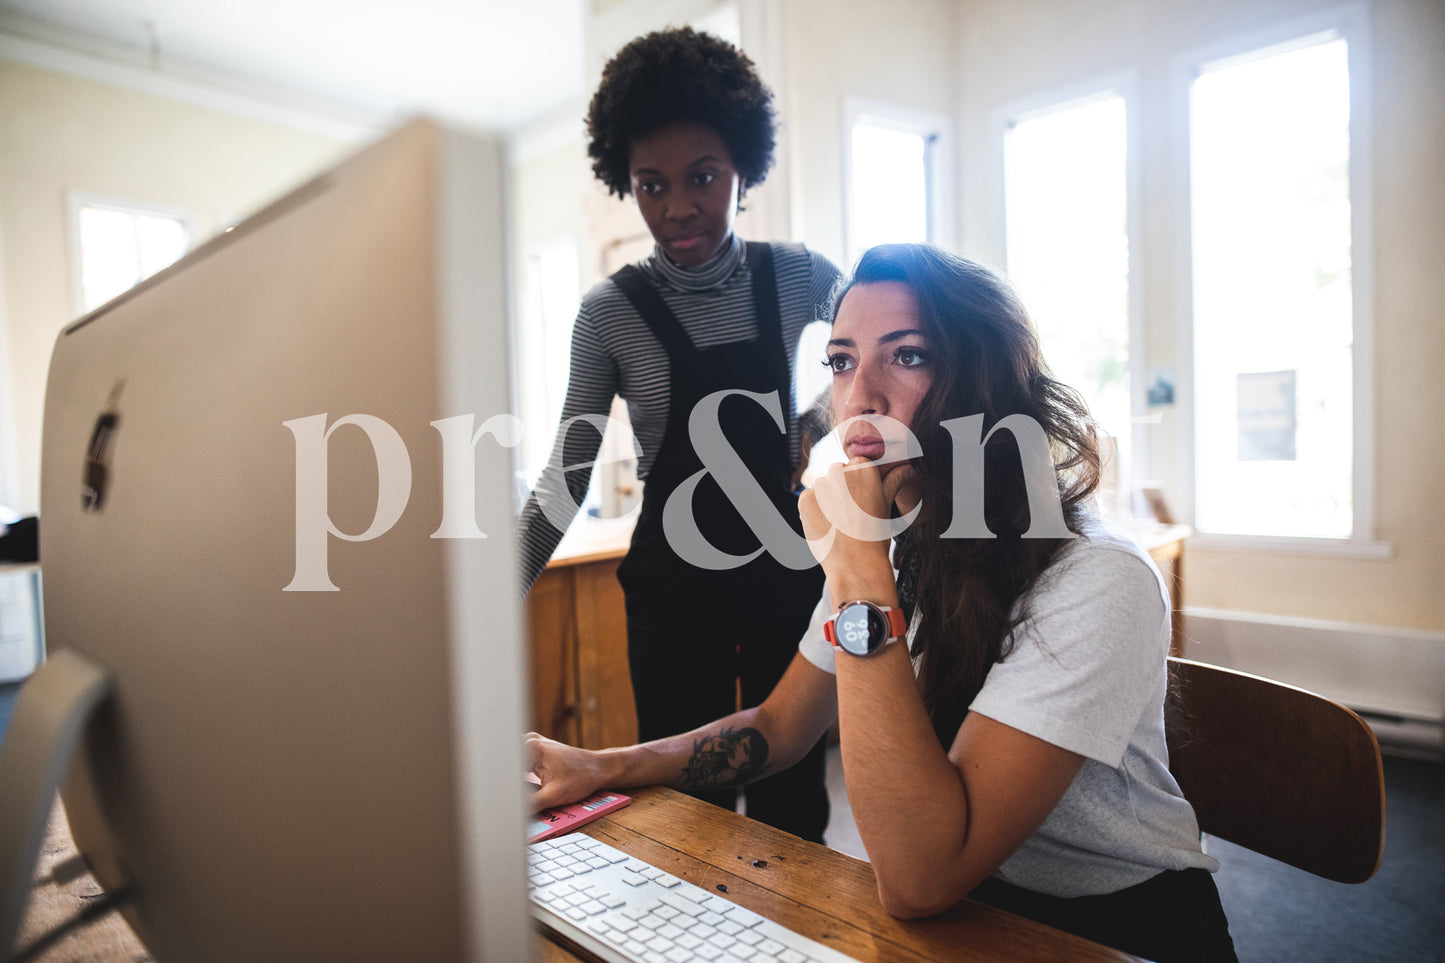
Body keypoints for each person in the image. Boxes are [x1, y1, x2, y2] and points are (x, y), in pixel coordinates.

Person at [527, 244, 1238, 962]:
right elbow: (779, 728)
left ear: (986, 385)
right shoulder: (899, 542)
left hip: (1117, 931)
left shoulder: (1094, 575)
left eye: (906, 356)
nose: (860, 396)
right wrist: (601, 767)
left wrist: (858, 568)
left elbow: (918, 876)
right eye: (840, 360)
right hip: (964, 913)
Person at [515, 27, 840, 843]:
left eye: (702, 177)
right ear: (625, 182)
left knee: (791, 807)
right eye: (650, 184)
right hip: (673, 597)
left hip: (785, 579)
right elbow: (568, 470)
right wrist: (490, 604)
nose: (678, 207)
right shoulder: (609, 314)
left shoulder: (802, 276)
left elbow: (870, 383)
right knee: (678, 817)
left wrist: (815, 424)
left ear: (742, 167)